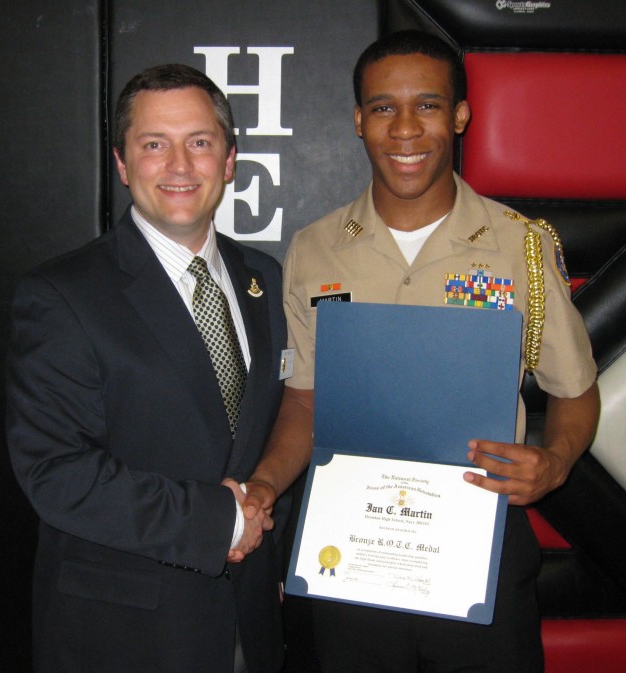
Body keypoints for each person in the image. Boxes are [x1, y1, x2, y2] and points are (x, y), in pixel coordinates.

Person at [243, 30, 600, 672]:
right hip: (351, 552)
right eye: (383, 108)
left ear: (460, 115)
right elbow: (304, 399)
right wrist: (266, 484)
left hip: (479, 549)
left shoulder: (520, 247)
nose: (405, 128)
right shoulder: (314, 250)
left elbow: (574, 390)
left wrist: (555, 461)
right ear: (358, 121)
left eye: (428, 105)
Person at [6, 64, 287, 673]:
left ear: (230, 159)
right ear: (123, 164)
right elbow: (55, 472)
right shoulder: (61, 294)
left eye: (200, 143)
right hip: (123, 635)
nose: (180, 166)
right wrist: (219, 520)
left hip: (251, 622)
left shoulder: (265, 277)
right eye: (154, 145)